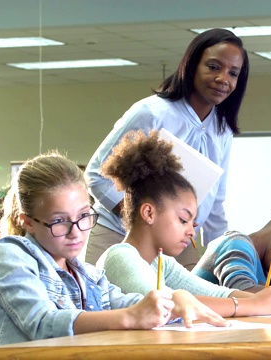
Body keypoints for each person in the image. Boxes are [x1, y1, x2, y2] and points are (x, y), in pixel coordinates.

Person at [0, 152, 229, 348]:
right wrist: (130, 317)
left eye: (84, 216)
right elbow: (43, 323)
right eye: (59, 221)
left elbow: (120, 302)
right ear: (27, 221)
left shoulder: (83, 271)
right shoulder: (11, 256)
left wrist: (171, 302)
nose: (76, 232)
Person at [97, 130, 271, 317]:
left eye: (193, 222)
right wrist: (253, 306)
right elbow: (168, 305)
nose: (191, 232)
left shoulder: (161, 263)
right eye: (183, 219)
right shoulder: (119, 256)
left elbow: (217, 292)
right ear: (149, 213)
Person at [84, 28, 249, 265]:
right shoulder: (152, 113)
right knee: (114, 302)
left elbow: (214, 206)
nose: (223, 79)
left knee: (199, 299)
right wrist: (145, 223)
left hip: (177, 243)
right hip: (118, 235)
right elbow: (97, 175)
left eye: (233, 73)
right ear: (191, 66)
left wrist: (225, 259)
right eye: (213, 67)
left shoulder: (222, 129)